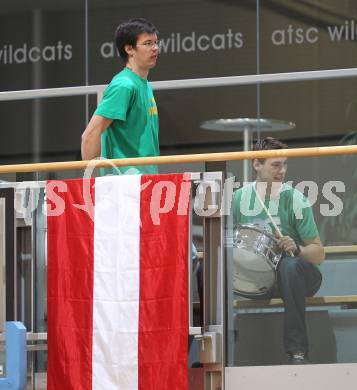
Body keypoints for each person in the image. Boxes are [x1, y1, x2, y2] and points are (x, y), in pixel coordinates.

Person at [232, 137, 325, 364]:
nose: (282, 171)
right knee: (208, 269)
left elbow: (319, 254)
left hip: (298, 276)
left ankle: (298, 351)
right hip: (257, 279)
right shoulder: (239, 197)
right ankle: (213, 349)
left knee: (289, 265)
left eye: (285, 164)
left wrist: (298, 249)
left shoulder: (296, 200)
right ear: (256, 164)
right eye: (275, 165)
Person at [81, 18, 160, 174]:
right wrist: (89, 183)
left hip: (146, 180)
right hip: (124, 184)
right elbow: (89, 135)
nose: (155, 48)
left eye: (156, 42)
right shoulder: (124, 85)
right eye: (148, 43)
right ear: (129, 49)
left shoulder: (143, 84)